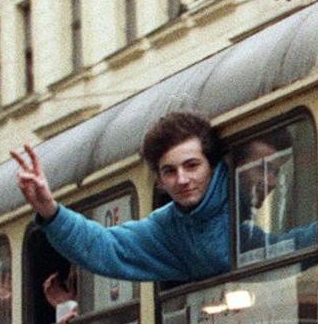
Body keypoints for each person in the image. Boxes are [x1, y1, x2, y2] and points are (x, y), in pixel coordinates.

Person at [14, 110, 234, 284]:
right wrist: (49, 209)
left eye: (192, 166)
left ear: (213, 166)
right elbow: (104, 247)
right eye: (170, 172)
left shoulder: (240, 186)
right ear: (159, 181)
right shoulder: (169, 228)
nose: (182, 179)